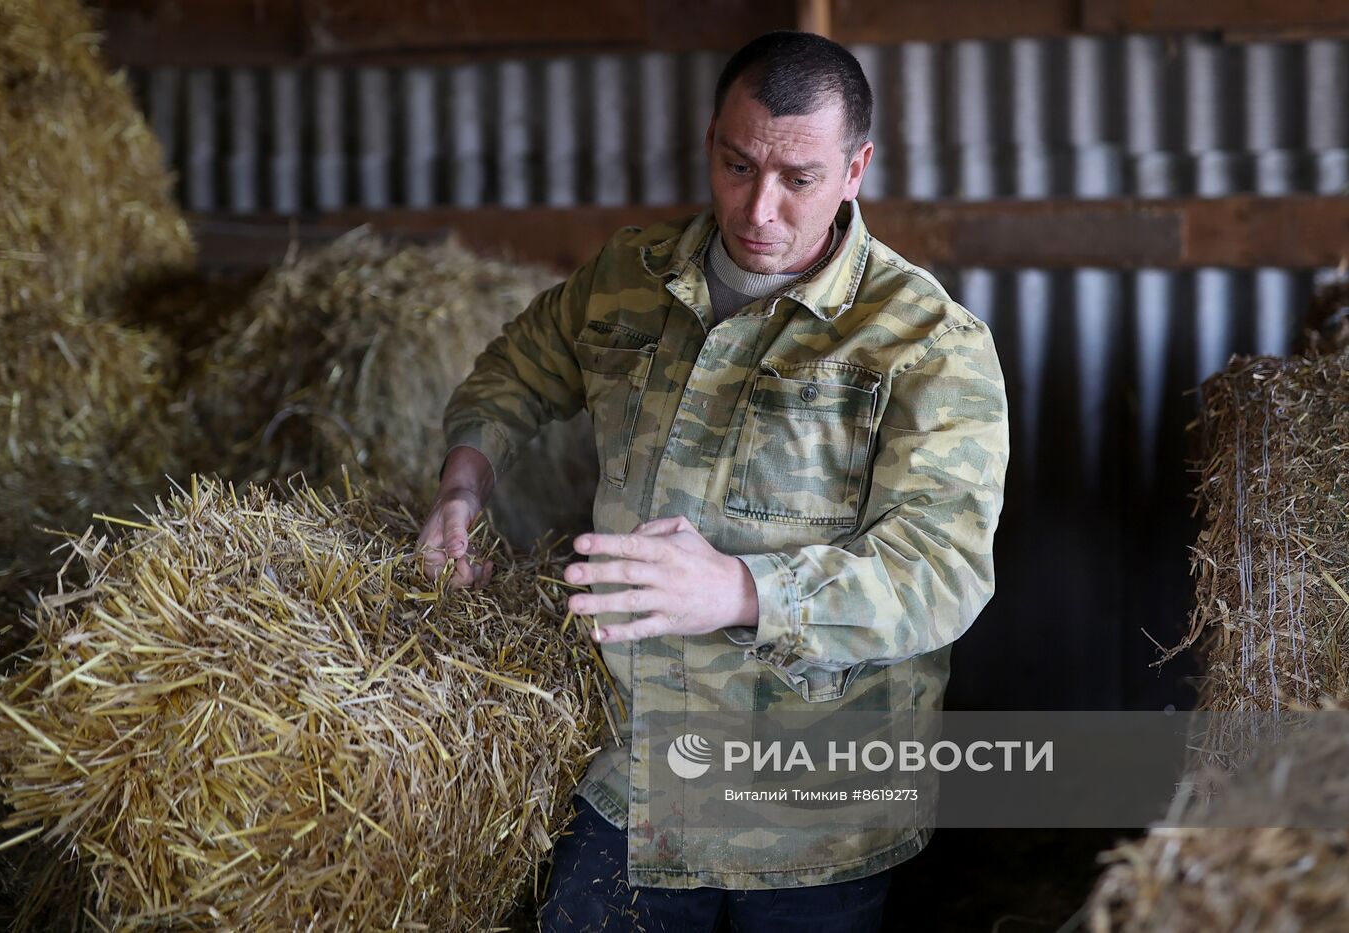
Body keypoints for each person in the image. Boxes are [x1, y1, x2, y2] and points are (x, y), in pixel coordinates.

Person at [418, 31, 1009, 932]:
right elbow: (517, 370)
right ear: (711, 143)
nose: (759, 208)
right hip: (629, 777)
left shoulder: (926, 339)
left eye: (798, 178)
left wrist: (739, 590)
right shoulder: (631, 276)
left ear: (855, 170)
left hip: (812, 816)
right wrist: (462, 489)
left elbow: (942, 570)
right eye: (737, 166)